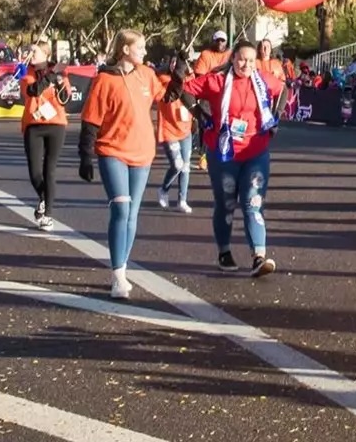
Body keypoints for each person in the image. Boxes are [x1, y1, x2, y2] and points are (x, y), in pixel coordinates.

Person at [183, 38, 284, 278]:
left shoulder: (262, 80)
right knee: (226, 204)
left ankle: (259, 256)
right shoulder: (217, 81)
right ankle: (224, 252)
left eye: (250, 60)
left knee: (252, 203)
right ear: (233, 59)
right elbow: (185, 90)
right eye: (241, 60)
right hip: (223, 153)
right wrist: (201, 115)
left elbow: (283, 89)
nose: (246, 65)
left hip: (255, 151)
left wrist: (276, 118)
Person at [79, 29, 161, 297]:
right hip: (112, 151)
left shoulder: (146, 74)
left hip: (143, 152)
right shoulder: (104, 79)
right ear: (125, 49)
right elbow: (90, 121)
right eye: (140, 47)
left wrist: (180, 78)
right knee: (121, 211)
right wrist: (85, 156)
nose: (145, 52)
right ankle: (118, 276)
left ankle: (122, 268)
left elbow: (168, 96)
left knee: (133, 214)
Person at [20, 43, 70, 230]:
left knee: (50, 170)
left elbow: (65, 99)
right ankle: (43, 197)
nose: (30, 54)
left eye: (34, 51)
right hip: (33, 124)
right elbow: (34, 90)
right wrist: (51, 75)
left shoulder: (59, 72)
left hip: (56, 124)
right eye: (29, 50)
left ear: (46, 54)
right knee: (35, 171)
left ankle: (48, 214)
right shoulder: (27, 72)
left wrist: (59, 80)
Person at [154, 55, 196, 212]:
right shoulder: (163, 80)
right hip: (169, 130)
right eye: (173, 62)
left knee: (185, 167)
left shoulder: (190, 80)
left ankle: (182, 200)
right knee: (177, 165)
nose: (175, 65)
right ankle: (163, 189)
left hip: (185, 130)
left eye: (178, 62)